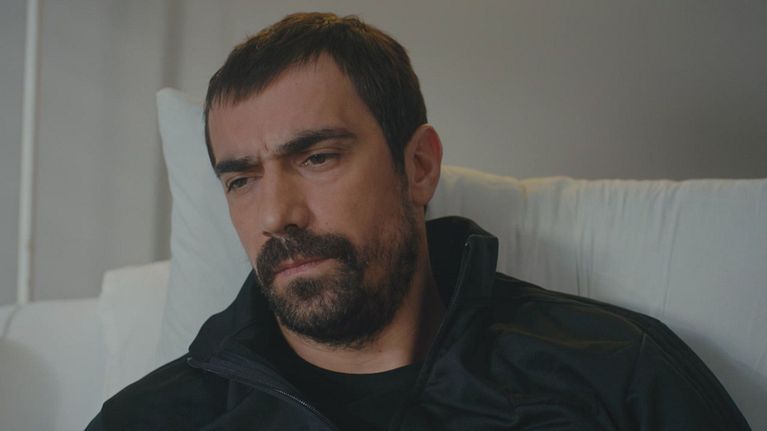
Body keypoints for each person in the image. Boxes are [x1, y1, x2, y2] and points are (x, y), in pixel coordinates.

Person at [87, 12, 750, 430]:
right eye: (241, 180)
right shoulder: (151, 419)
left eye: (316, 157)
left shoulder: (615, 372)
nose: (275, 215)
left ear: (419, 167)